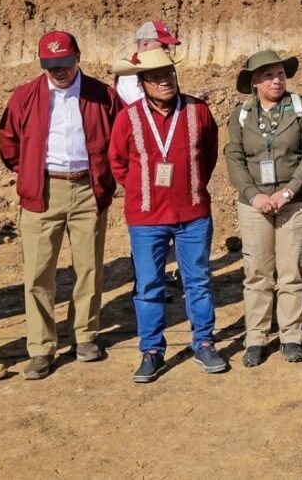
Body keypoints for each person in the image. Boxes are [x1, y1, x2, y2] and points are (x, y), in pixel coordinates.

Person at [0, 31, 122, 380]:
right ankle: (40, 348)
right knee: (38, 273)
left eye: (65, 64)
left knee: (89, 268)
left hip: (88, 189)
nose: (59, 71)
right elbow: (9, 142)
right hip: (43, 191)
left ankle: (85, 335)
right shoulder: (24, 97)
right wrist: (30, 173)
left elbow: (120, 139)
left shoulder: (102, 95)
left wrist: (107, 179)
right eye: (51, 66)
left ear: (78, 56)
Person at [108, 48, 225, 382]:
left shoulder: (198, 111)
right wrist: (141, 189)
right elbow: (117, 161)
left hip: (193, 213)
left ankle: (204, 342)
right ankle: (152, 350)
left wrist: (191, 185)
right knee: (148, 286)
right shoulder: (127, 118)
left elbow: (209, 153)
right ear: (142, 83)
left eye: (168, 74)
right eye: (155, 77)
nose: (164, 82)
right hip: (146, 218)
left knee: (199, 281)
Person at [224, 50, 302, 366]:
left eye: (280, 74)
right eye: (268, 76)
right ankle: (256, 337)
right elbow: (234, 158)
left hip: (292, 203)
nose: (276, 80)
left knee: (292, 271)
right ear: (254, 82)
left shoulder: (301, 108)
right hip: (254, 206)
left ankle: (291, 335)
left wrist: (290, 188)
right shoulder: (241, 116)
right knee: (257, 274)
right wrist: (253, 195)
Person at [116, 21, 182, 105]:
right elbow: (145, 107)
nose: (167, 50)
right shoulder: (129, 76)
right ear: (145, 44)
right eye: (163, 46)